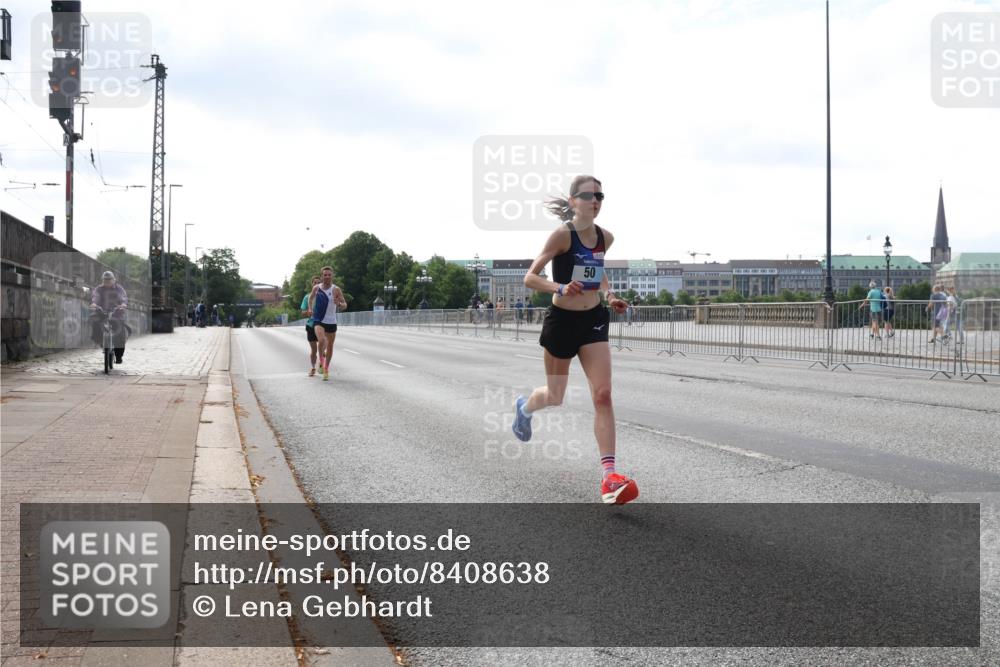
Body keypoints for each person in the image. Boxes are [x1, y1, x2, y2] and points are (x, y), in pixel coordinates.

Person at [511, 175, 636, 505]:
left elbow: (598, 269)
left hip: (593, 320)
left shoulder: (605, 237)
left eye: (600, 196)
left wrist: (609, 296)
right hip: (562, 322)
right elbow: (530, 277)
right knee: (555, 395)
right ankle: (524, 407)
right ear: (572, 201)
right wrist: (560, 287)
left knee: (604, 394)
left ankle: (609, 477)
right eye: (588, 196)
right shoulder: (562, 235)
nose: (595, 201)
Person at [308, 266, 348, 381]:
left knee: (330, 346)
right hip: (318, 319)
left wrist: (339, 304)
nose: (327, 277)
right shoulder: (316, 288)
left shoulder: (336, 289)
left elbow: (345, 304)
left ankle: (326, 368)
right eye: (325, 275)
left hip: (331, 321)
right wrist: (310, 309)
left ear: (332, 276)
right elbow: (310, 299)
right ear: (322, 276)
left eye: (329, 275)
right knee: (321, 340)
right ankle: (321, 359)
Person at [88, 271, 129, 363]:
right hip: (101, 312)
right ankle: (99, 340)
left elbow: (123, 297)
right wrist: (94, 304)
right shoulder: (99, 289)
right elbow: (95, 296)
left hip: (116, 313)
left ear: (114, 280)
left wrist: (123, 304)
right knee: (95, 321)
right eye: (105, 280)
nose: (107, 282)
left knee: (120, 333)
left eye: (109, 280)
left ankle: (118, 356)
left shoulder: (119, 289)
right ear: (102, 280)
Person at [300, 275, 326, 377]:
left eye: (318, 283)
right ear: (312, 284)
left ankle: (321, 362)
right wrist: (308, 312)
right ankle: (313, 367)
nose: (316, 284)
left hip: (322, 324)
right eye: (314, 282)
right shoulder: (307, 297)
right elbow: (302, 312)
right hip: (311, 325)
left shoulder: (324, 296)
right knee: (314, 350)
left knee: (322, 345)